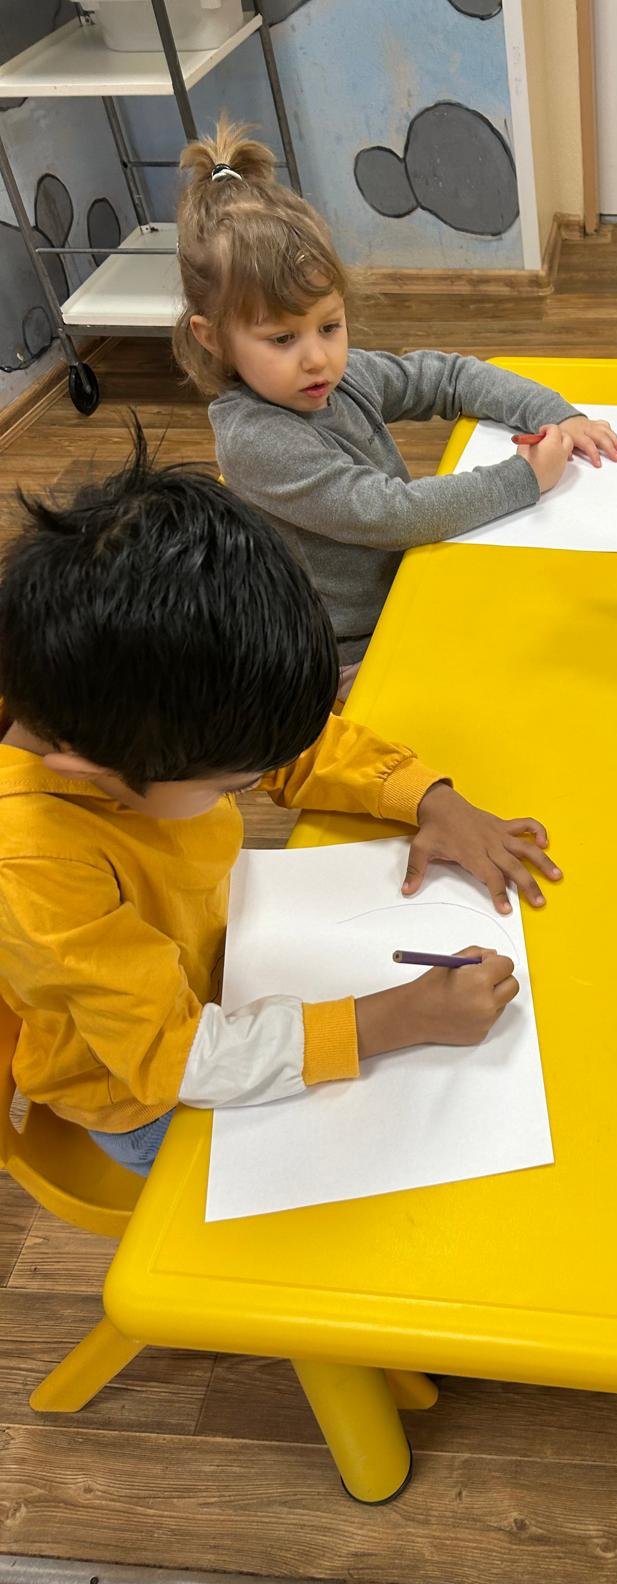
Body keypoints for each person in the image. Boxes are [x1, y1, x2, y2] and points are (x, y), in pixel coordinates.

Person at [0, 429, 561, 1175]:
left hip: (228, 970)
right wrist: (394, 1019)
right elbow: (175, 1059)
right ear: (90, 768)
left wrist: (427, 797)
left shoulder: (138, 719)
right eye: (231, 787)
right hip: (142, 1094)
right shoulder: (36, 863)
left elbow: (287, 746)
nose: (251, 785)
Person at [173, 119, 617, 693]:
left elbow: (447, 377)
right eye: (282, 339)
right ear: (212, 338)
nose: (317, 358)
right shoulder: (257, 439)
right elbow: (391, 514)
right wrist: (524, 477)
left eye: (329, 326)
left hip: (410, 584)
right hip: (350, 653)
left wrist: (556, 413)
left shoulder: (335, 378)